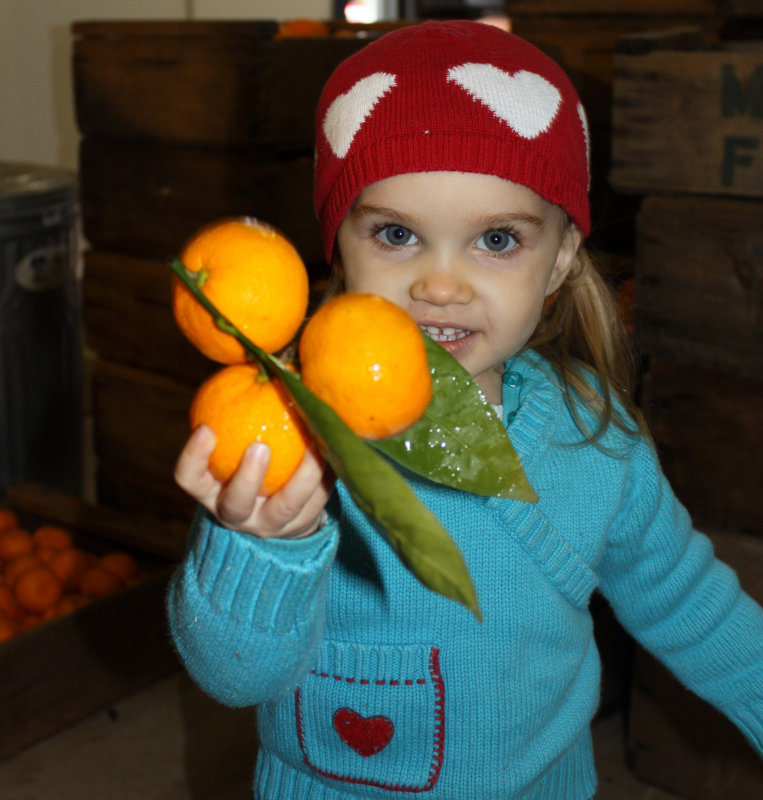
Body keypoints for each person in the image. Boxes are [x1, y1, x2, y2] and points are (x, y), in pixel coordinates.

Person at [167, 20, 763, 799]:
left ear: (559, 257)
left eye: (496, 240)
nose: (440, 285)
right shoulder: (294, 444)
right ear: (338, 248)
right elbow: (234, 676)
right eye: (395, 233)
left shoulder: (594, 438)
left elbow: (689, 603)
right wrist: (260, 547)